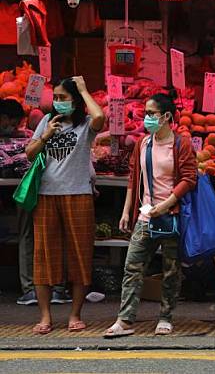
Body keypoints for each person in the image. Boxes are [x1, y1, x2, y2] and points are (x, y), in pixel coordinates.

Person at [104, 93, 197, 338]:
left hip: (171, 214)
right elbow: (134, 180)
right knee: (132, 266)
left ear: (166, 116)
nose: (146, 118)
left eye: (151, 113)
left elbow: (189, 178)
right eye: (145, 113)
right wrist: (126, 211)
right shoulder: (143, 143)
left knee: (170, 269)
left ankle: (165, 317)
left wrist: (167, 203)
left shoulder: (181, 143)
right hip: (146, 215)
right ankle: (125, 320)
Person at [25, 76, 105, 335]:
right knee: (44, 255)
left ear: (76, 101)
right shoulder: (47, 122)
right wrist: (45, 135)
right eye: (55, 98)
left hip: (78, 193)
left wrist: (83, 88)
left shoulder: (84, 126)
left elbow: (100, 117)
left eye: (63, 98)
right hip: (46, 195)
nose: (58, 103)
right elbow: (30, 152)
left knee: (80, 254)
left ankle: (75, 314)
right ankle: (46, 316)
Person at [1, 99, 72, 306]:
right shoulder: (47, 124)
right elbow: (32, 153)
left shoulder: (42, 126)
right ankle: (49, 287)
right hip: (39, 186)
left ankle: (38, 288)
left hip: (37, 186)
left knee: (35, 235)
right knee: (46, 235)